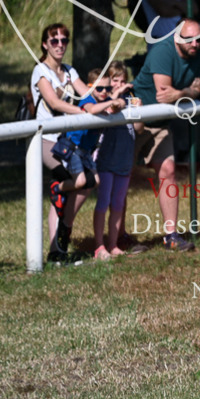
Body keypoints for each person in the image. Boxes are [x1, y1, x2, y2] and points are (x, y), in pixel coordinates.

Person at [132, 17, 200, 251]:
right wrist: (185, 93)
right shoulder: (162, 52)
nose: (195, 44)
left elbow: (196, 89)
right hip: (137, 118)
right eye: (189, 39)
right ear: (177, 37)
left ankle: (171, 236)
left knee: (168, 172)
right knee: (120, 176)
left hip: (162, 121)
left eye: (198, 38)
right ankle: (116, 239)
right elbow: (163, 93)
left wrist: (182, 93)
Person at [30, 23, 97, 261]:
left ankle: (59, 246)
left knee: (89, 182)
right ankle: (57, 249)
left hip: (67, 142)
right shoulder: (40, 71)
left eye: (64, 41)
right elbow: (55, 103)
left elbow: (87, 95)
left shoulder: (69, 70)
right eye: (54, 41)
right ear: (44, 44)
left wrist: (108, 103)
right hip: (47, 141)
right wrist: (84, 113)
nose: (60, 45)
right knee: (76, 181)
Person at [79, 67, 134, 260]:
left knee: (118, 204)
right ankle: (99, 247)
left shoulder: (130, 101)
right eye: (114, 82)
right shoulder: (104, 102)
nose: (118, 85)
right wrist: (116, 96)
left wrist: (139, 108)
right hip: (105, 160)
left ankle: (113, 244)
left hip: (124, 160)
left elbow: (140, 127)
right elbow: (112, 108)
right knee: (103, 202)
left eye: (122, 81)